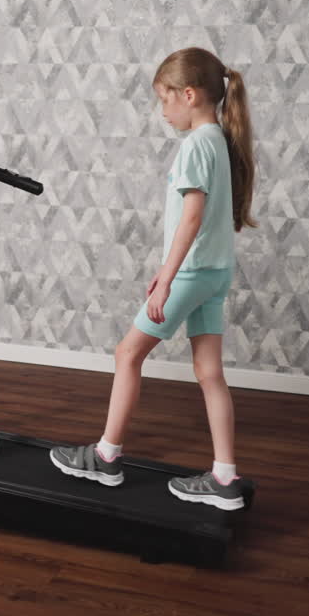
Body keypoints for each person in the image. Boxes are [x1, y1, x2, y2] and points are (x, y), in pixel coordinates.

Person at [49, 48, 258, 509]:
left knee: (127, 353)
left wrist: (165, 279)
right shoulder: (220, 139)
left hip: (192, 271)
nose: (162, 111)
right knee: (209, 372)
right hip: (215, 272)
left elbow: (191, 220)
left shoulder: (195, 145)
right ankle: (225, 477)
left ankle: (105, 456)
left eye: (165, 100)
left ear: (189, 95)